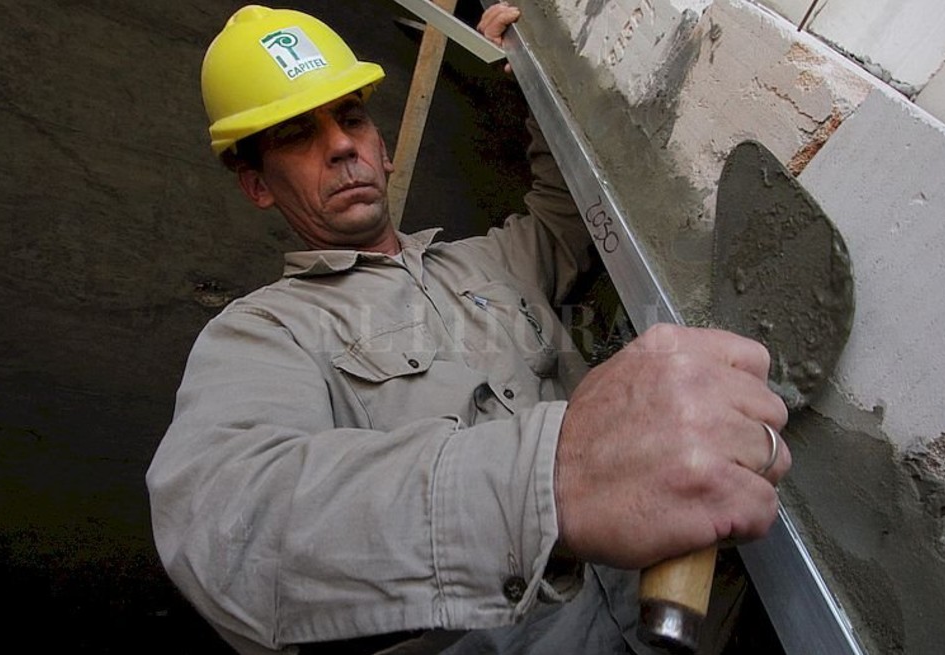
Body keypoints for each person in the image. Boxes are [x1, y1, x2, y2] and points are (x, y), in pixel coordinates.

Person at [147, 4, 790, 654]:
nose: (340, 145)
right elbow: (225, 530)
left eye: (350, 118)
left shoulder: (489, 259)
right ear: (258, 185)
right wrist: (549, 478)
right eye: (296, 135)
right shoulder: (265, 332)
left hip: (697, 614)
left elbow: (570, 207)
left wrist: (529, 78)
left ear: (382, 148)